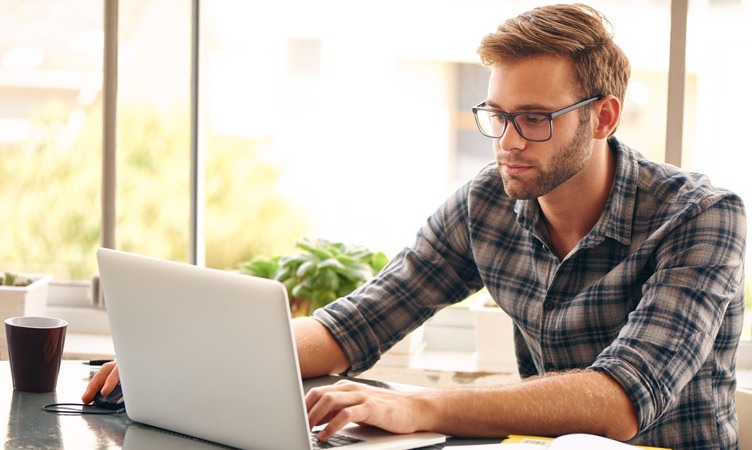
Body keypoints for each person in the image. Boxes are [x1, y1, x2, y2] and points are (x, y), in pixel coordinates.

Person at [83, 3, 747, 449]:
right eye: (497, 114)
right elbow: (357, 322)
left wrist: (420, 404)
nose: (508, 141)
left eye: (535, 118)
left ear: (602, 118)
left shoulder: (703, 217)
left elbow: (621, 401)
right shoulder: (487, 203)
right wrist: (186, 357)